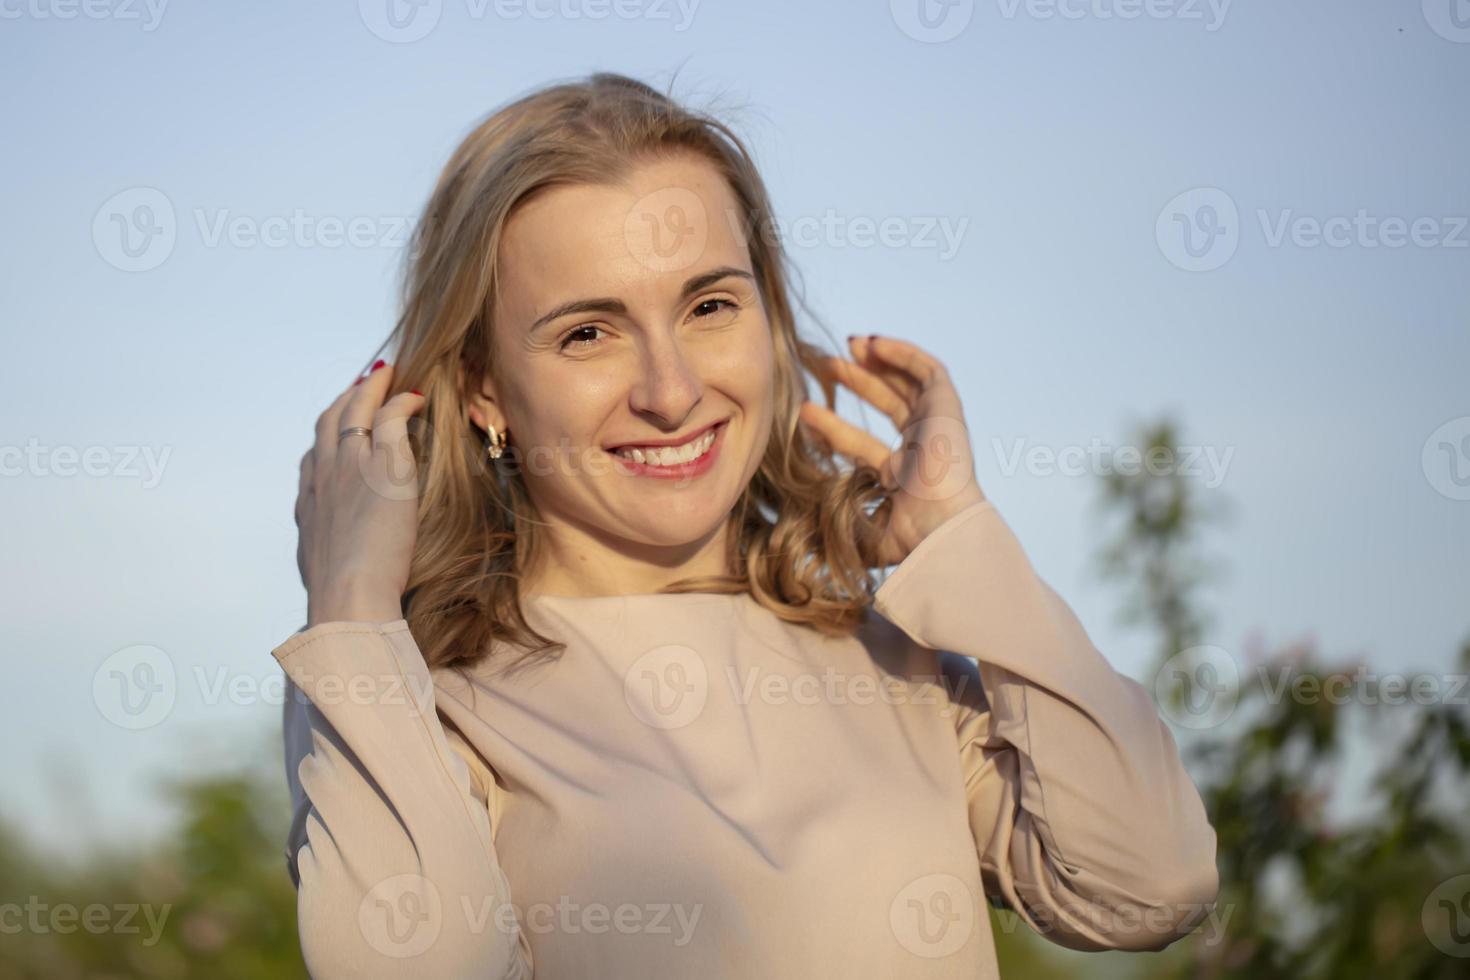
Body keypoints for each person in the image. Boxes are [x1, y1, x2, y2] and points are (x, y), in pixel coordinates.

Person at [274, 71, 1219, 979]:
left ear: (767, 323)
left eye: (710, 305)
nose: (673, 391)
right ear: (484, 388)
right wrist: (353, 607)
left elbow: (1147, 886)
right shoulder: (415, 696)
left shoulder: (893, 667)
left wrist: (956, 538)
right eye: (587, 333)